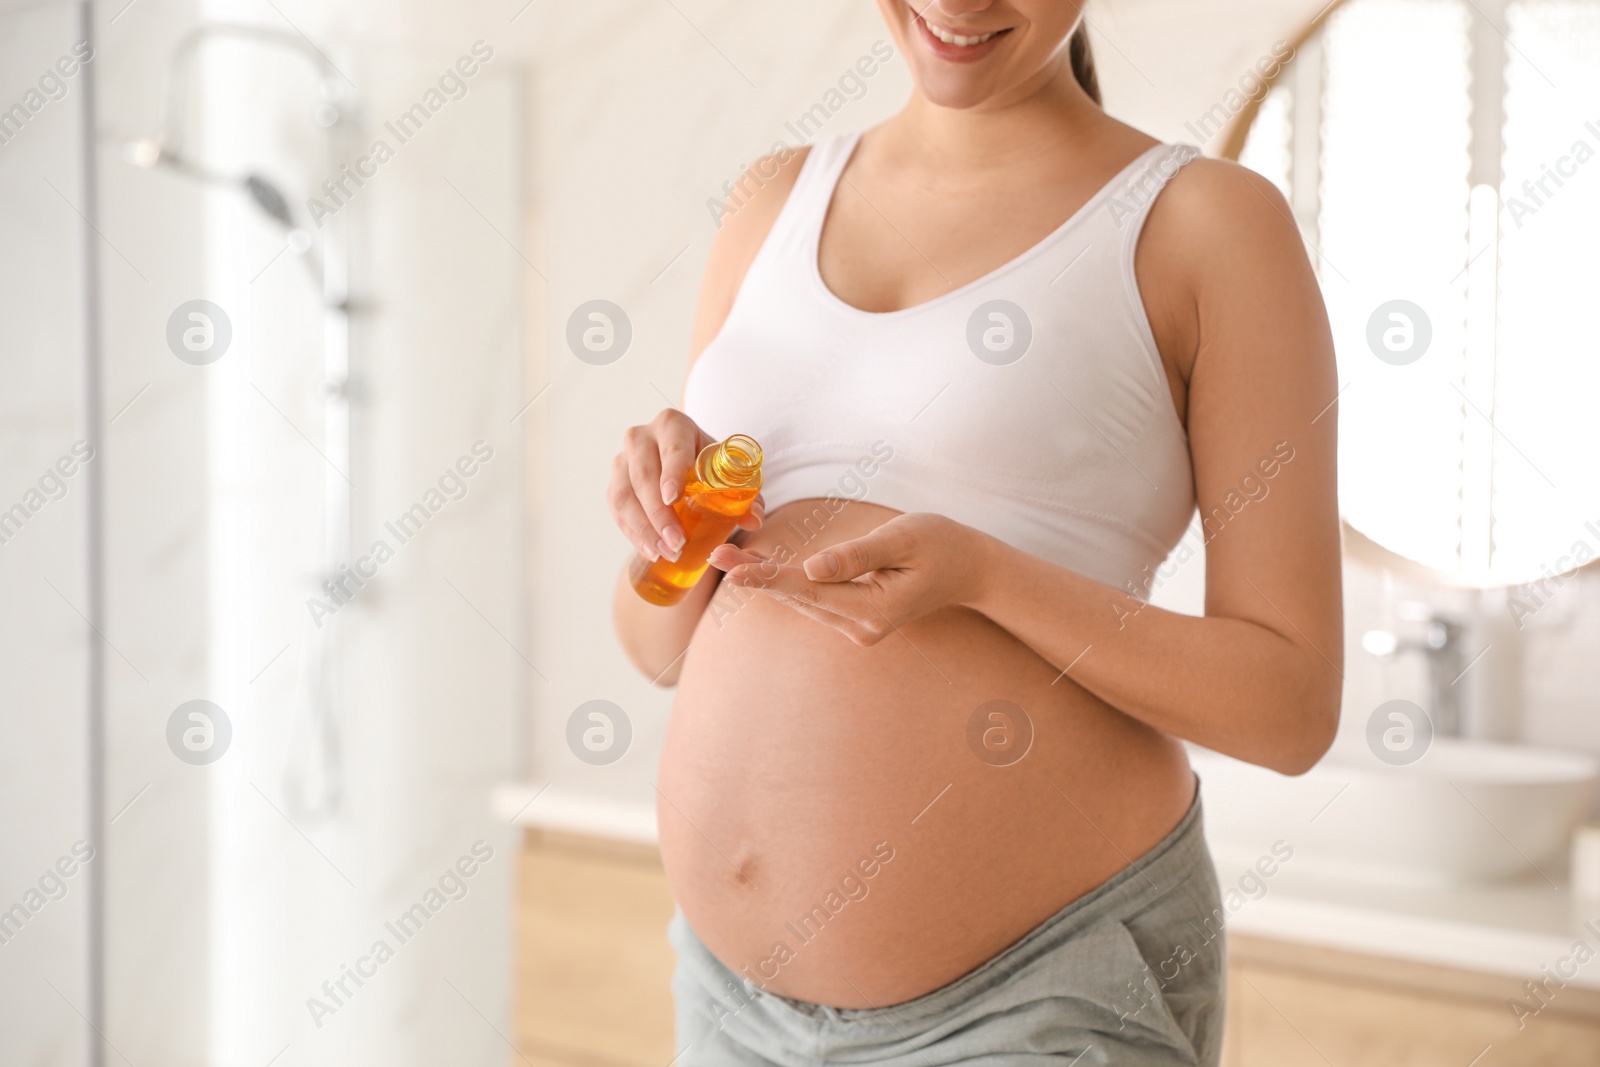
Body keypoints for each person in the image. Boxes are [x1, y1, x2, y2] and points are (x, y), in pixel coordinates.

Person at [609, 2, 1342, 1062]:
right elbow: (655, 644)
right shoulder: (772, 197)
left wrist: (986, 576)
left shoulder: (1204, 223)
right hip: (730, 1005)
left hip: (1031, 998)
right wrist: (660, 529)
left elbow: (1291, 705)